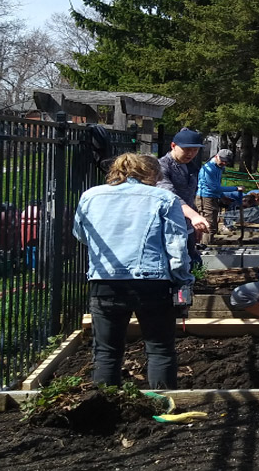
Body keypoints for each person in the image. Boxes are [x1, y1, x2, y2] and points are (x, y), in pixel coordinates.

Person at [72, 153, 192, 388]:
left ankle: (105, 409)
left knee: (106, 352)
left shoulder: (90, 196)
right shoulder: (165, 199)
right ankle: (163, 407)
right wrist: (183, 281)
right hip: (153, 284)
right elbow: (176, 249)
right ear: (152, 174)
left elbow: (81, 234)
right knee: (160, 350)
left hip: (105, 281)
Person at [157, 128, 209, 260]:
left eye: (195, 150)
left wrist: (195, 219)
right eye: (187, 149)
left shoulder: (192, 167)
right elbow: (169, 197)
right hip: (167, 228)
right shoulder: (161, 167)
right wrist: (194, 216)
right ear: (173, 146)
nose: (191, 153)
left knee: (193, 264)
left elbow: (190, 196)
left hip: (187, 226)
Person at [196, 148, 242, 244]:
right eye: (222, 161)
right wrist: (235, 188)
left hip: (213, 197)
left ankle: (209, 242)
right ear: (216, 156)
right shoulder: (209, 169)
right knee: (208, 225)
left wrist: (222, 197)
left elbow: (217, 185)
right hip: (205, 198)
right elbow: (214, 188)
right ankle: (204, 248)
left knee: (213, 225)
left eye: (226, 162)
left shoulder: (219, 167)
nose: (224, 163)